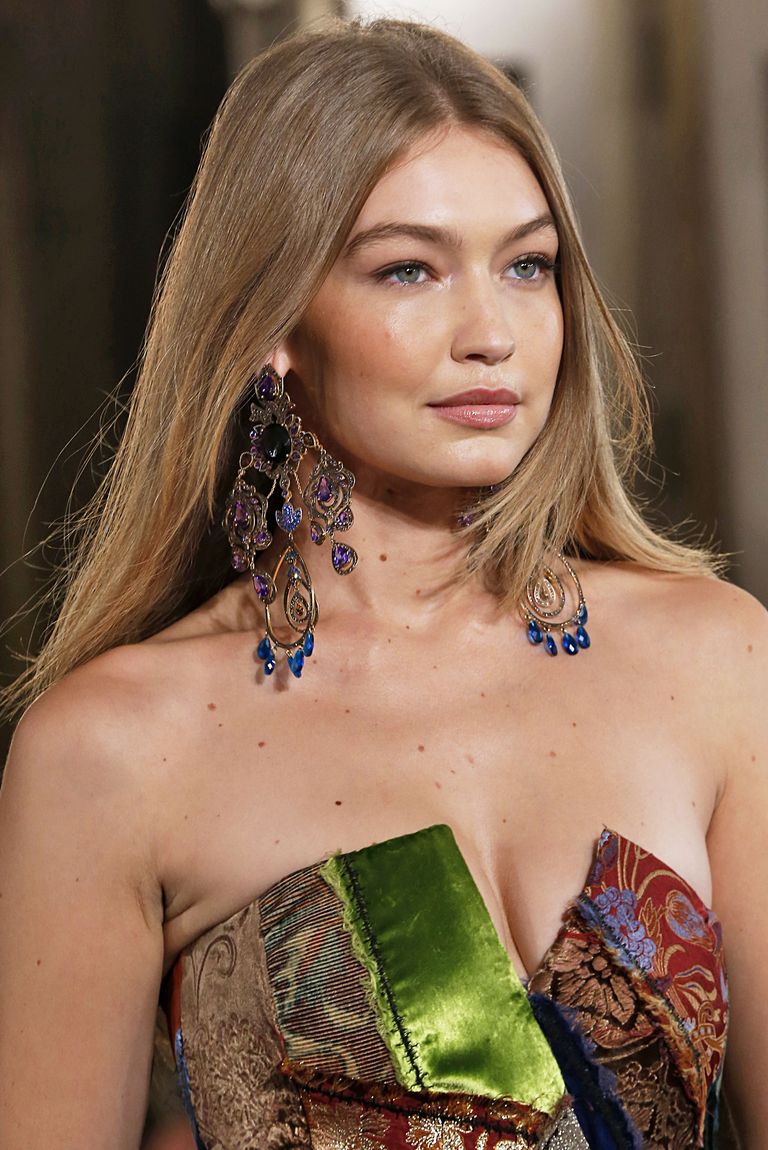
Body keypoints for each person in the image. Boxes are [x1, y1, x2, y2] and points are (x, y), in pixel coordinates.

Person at [0, 16, 764, 1150]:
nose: (491, 332)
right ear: (275, 323)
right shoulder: (112, 750)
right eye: (410, 268)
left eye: (527, 265)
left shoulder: (715, 660)